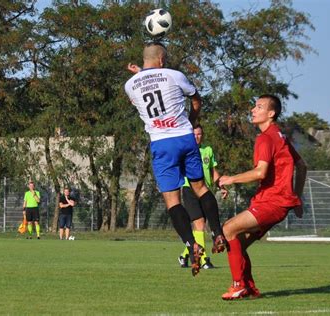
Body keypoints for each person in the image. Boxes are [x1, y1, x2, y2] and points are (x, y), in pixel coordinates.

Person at [124, 42, 226, 276]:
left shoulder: (130, 85)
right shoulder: (175, 75)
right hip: (184, 137)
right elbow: (196, 100)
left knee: (172, 201)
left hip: (160, 143)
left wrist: (140, 74)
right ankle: (217, 231)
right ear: (161, 59)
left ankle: (192, 246)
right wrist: (191, 120)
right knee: (200, 187)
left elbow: (145, 90)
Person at [218, 94, 307, 300]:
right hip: (277, 202)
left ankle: (238, 286)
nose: (253, 110)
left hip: (272, 202)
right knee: (238, 242)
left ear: (271, 113)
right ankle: (249, 289)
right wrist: (297, 197)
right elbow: (302, 166)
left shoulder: (265, 138)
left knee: (228, 229)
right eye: (254, 106)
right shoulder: (280, 136)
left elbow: (260, 172)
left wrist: (231, 179)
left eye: (259, 107)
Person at [178, 124, 228, 270]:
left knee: (202, 226)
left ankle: (184, 255)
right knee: (199, 224)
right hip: (189, 189)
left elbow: (213, 171)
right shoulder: (185, 151)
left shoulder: (208, 150)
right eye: (194, 134)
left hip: (204, 191)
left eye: (199, 134)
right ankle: (204, 259)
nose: (197, 137)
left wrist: (221, 185)